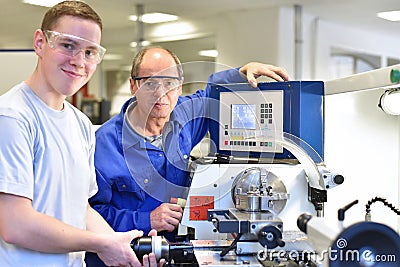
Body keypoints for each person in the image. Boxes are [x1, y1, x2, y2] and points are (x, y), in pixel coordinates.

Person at [85, 46, 289, 266]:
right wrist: (147, 219)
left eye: (169, 83)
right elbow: (88, 214)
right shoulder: (103, 145)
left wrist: (242, 71)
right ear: (133, 85)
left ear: (180, 86)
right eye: (150, 83)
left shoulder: (184, 116)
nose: (161, 93)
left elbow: (212, 92)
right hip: (124, 258)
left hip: (174, 252)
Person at [0, 1, 160, 267]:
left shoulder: (81, 124)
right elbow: (15, 224)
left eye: (89, 52)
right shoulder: (12, 117)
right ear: (40, 43)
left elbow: (81, 208)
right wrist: (99, 243)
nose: (79, 61)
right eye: (67, 45)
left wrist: (121, 247)